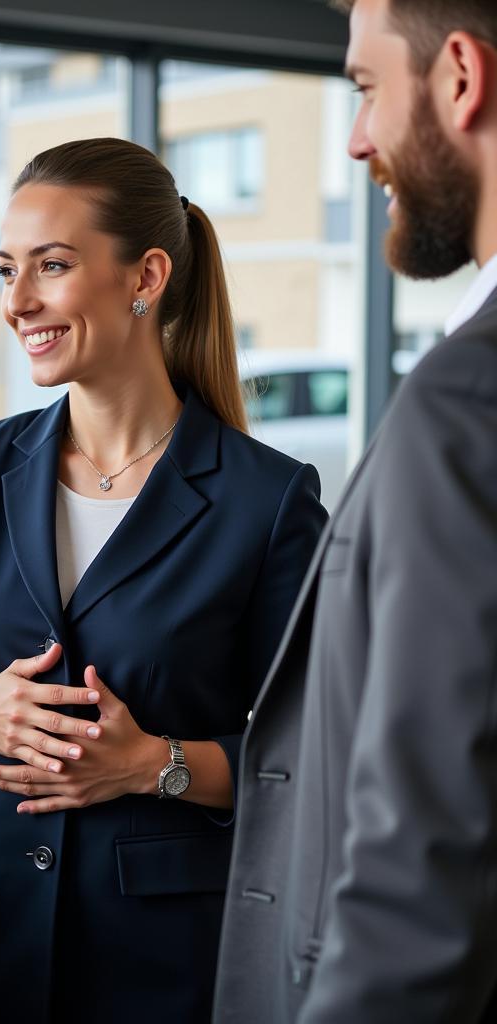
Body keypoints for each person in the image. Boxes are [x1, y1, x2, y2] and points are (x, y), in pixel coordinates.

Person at [0, 137, 326, 1023]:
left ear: (145, 275)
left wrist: (151, 766)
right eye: (7, 269)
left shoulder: (267, 500)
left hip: (159, 956)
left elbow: (312, 757)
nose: (17, 302)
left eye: (52, 266)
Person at [213, 1, 497, 1021]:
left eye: (366, 88)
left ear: (458, 78)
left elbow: (423, 868)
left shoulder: (465, 400)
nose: (355, 138)